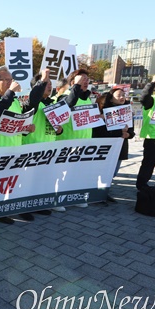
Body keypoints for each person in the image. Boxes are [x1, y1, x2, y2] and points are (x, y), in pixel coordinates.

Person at [0, 66, 35, 223]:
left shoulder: (14, 101)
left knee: (9, 183)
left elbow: (17, 123)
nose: (11, 82)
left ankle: (4, 211)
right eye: (7, 80)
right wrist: (11, 93)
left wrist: (27, 129)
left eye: (12, 79)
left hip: (13, 150)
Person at [23, 69, 64, 213]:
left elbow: (57, 126)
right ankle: (26, 208)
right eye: (46, 83)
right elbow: (33, 98)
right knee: (30, 181)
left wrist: (59, 130)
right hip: (32, 149)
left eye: (50, 83)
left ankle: (40, 203)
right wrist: (43, 79)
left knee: (44, 179)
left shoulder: (52, 103)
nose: (49, 85)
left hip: (48, 150)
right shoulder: (33, 103)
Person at [56, 69, 93, 208]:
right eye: (82, 79)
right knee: (63, 173)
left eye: (87, 80)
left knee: (79, 172)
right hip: (66, 142)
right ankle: (58, 199)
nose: (86, 82)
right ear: (73, 82)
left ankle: (75, 197)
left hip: (83, 142)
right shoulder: (64, 96)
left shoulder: (87, 98)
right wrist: (75, 88)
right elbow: (66, 106)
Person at [93, 87, 135, 202]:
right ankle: (98, 193)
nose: (122, 97)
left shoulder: (127, 111)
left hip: (120, 146)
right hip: (106, 146)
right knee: (102, 171)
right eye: (119, 95)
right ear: (111, 99)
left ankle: (104, 192)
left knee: (113, 172)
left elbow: (131, 132)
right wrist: (119, 132)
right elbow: (99, 132)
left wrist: (128, 135)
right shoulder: (103, 113)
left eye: (123, 95)